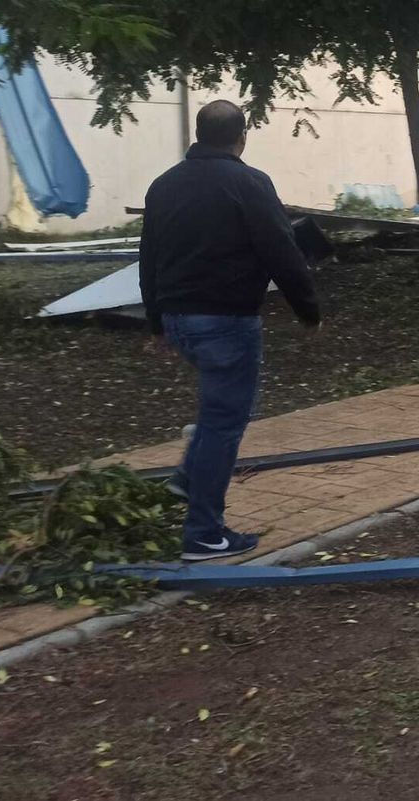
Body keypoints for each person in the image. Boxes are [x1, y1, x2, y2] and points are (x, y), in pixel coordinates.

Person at [139, 99, 322, 561]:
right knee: (224, 424)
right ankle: (203, 532)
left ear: (198, 136)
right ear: (242, 137)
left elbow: (148, 258)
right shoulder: (250, 182)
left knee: (216, 413)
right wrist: (308, 310)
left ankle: (187, 479)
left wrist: (156, 323)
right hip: (226, 322)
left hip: (180, 320)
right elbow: (281, 250)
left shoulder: (162, 186)